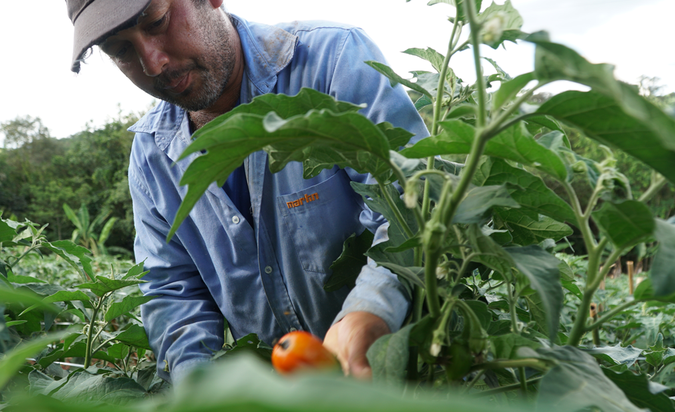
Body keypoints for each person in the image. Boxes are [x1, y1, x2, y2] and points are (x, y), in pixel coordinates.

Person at [64, 0, 429, 383]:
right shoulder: (151, 155)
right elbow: (172, 289)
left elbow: (413, 204)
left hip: (411, 381)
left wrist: (370, 309)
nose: (153, 64)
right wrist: (201, 390)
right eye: (121, 51)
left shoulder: (332, 62)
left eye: (157, 21)